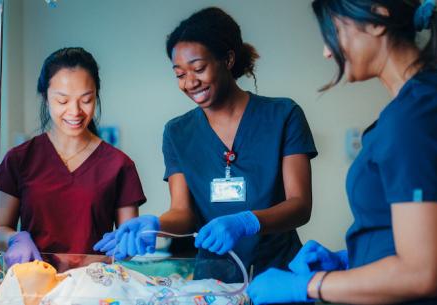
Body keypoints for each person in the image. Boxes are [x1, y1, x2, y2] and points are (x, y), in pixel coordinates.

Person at [247, 1, 437, 304]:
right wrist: (350, 260)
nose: (327, 51)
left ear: (377, 19)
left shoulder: (419, 115)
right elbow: (413, 239)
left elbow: (420, 273)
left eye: (334, 31)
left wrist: (309, 286)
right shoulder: (422, 106)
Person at [94, 7, 317, 280]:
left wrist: (247, 221)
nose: (190, 82)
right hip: (213, 281)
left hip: (279, 274)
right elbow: (183, 213)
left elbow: (300, 205)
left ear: (228, 59)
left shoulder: (283, 115)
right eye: (179, 74)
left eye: (198, 68)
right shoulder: (178, 132)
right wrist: (155, 225)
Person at [0, 47, 147, 266]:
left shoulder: (119, 165)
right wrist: (14, 238)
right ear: (45, 98)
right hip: (38, 284)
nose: (75, 111)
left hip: (94, 288)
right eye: (62, 101)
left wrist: (129, 243)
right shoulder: (19, 159)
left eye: (86, 100)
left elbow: (128, 241)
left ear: (96, 97)